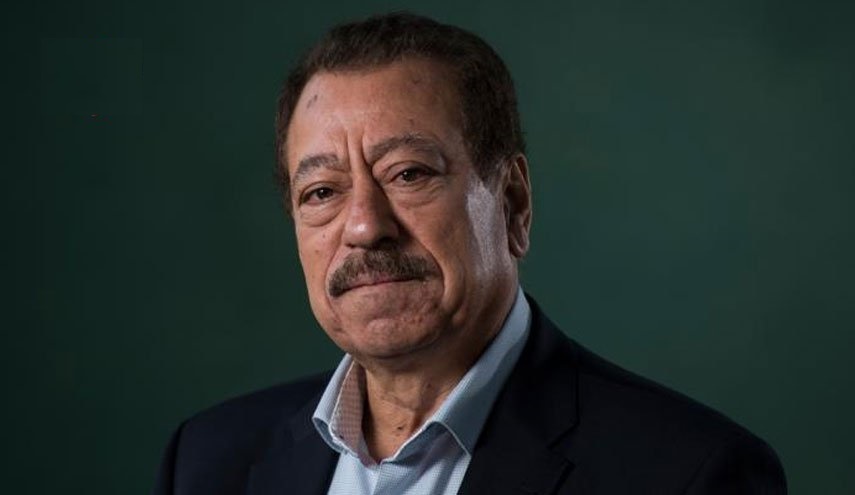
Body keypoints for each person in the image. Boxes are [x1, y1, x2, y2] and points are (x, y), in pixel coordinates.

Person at [153, 12, 787, 495]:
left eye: (409, 174)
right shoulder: (206, 463)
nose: (365, 227)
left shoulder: (691, 475)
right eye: (322, 192)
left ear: (513, 203)